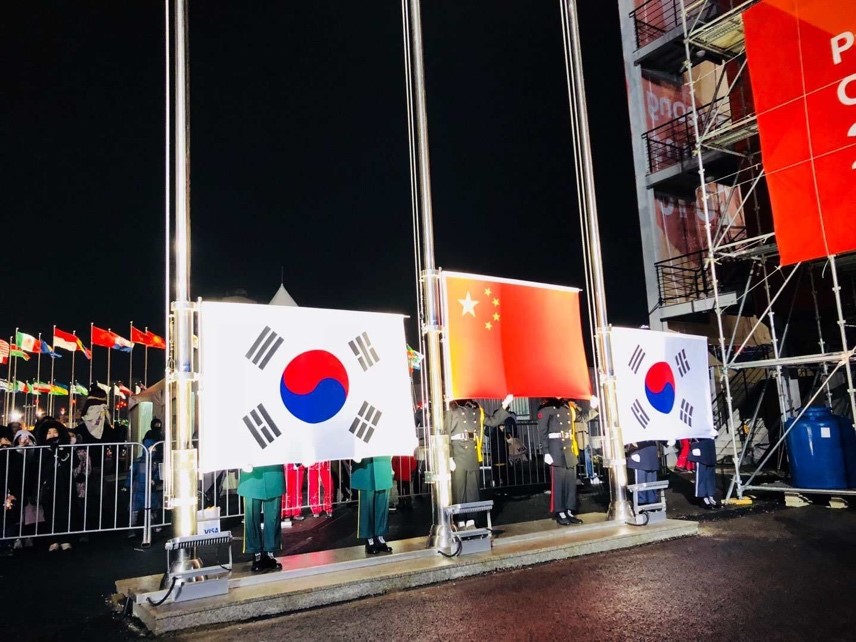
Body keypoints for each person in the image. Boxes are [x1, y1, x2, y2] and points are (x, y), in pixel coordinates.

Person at [445, 395, 513, 528]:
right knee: (459, 488)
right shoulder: (452, 408)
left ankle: (472, 519)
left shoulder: (477, 409)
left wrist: (504, 405)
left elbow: (492, 421)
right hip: (458, 451)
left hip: (472, 450)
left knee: (473, 488)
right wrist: (449, 456)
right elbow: (446, 433)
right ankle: (459, 519)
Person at [538, 396, 599, 525]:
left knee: (571, 483)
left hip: (569, 448)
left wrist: (594, 407)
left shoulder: (568, 408)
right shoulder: (546, 408)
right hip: (556, 449)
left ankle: (569, 511)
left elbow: (582, 418)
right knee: (558, 483)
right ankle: (560, 511)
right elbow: (543, 433)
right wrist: (546, 452)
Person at [34, 418, 74, 551]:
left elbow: (74, 462)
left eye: (55, 432)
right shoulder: (41, 449)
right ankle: (53, 539)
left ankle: (64, 539)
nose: (52, 435)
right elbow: (38, 466)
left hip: (64, 484)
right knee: (49, 512)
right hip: (48, 485)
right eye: (49, 433)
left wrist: (63, 451)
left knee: (64, 511)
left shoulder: (66, 448)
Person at [238, 464, 284, 572]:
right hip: (251, 476)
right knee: (252, 517)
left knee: (273, 516)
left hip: (273, 472)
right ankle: (256, 552)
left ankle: (270, 552)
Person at [351, 456, 394, 554]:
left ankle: (380, 536)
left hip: (383, 463)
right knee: (366, 505)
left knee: (382, 503)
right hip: (366, 465)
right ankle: (369, 538)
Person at [688, 437, 719, 509]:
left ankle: (710, 497)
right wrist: (694, 446)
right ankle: (703, 498)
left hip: (709, 449)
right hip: (700, 448)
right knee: (701, 476)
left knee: (710, 477)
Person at [626, 441, 660, 505]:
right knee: (641, 483)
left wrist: (666, 441)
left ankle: (652, 502)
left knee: (651, 482)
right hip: (639, 452)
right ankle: (642, 502)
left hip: (650, 452)